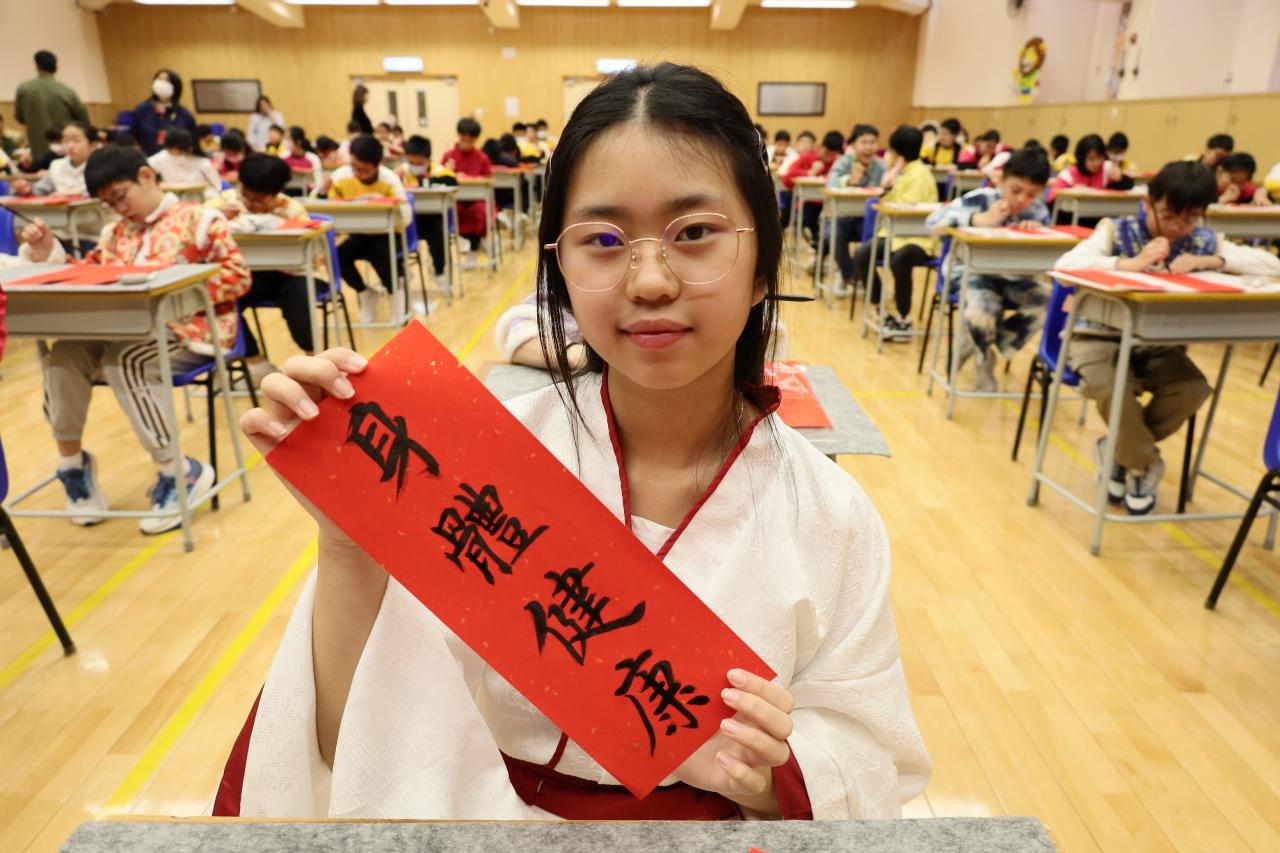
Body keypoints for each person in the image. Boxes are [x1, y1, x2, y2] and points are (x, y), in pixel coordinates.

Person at [226, 60, 930, 822]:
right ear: (558, 269)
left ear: (762, 266)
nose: (651, 279)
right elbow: (350, 737)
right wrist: (350, 543)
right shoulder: (482, 467)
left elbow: (869, 752)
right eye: (604, 238)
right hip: (490, 824)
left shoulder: (833, 514)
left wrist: (767, 775)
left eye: (695, 233)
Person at [16, 145, 248, 533]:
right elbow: (87, 274)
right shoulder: (115, 233)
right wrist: (46, 252)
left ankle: (179, 472)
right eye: (109, 204)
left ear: (146, 176)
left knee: (126, 362)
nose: (119, 209)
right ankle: (72, 466)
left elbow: (239, 276)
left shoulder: (201, 220)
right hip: (121, 331)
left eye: (121, 196)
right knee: (62, 357)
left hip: (191, 333)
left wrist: (171, 286)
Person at [1054, 160, 1280, 514]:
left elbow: (1273, 265)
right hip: (1096, 338)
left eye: (1191, 218)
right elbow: (1064, 267)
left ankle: (1117, 452)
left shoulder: (1203, 241)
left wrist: (1213, 261)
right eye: (1169, 216)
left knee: (1193, 388)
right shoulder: (1116, 230)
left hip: (1157, 347)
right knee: (1113, 389)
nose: (1178, 227)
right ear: (1148, 204)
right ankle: (1142, 464)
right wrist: (1126, 264)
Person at [926, 147, 1053, 391]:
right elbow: (932, 222)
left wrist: (1038, 233)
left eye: (1032, 194)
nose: (1021, 200)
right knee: (982, 310)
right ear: (1001, 180)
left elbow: (1044, 252)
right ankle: (984, 360)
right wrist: (977, 220)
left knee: (1049, 302)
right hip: (970, 274)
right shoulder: (980, 199)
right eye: (1015, 190)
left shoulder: (1039, 212)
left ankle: (980, 341)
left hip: (1013, 279)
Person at [208, 153, 326, 384]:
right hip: (245, 277)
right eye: (246, 195)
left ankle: (315, 363)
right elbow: (197, 231)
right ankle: (256, 363)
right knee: (218, 300)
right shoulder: (223, 202)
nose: (251, 204)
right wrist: (218, 218)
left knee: (299, 297)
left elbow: (316, 259)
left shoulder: (293, 209)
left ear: (276, 193)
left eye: (259, 199)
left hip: (289, 277)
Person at [849, 125, 938, 341]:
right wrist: (887, 187)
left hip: (918, 239)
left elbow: (905, 209)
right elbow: (886, 204)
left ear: (897, 153)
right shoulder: (903, 172)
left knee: (900, 260)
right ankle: (880, 309)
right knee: (862, 254)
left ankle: (904, 317)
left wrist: (888, 188)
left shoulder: (919, 174)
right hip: (894, 234)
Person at [326, 134, 411, 322]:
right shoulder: (340, 176)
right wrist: (323, 191)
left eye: (365, 170)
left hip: (387, 235)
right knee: (337, 255)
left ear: (377, 164)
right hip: (358, 235)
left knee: (380, 253)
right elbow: (326, 205)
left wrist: (386, 208)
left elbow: (406, 216)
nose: (359, 174)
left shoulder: (390, 180)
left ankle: (395, 294)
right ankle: (365, 292)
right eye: (355, 168)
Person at [10, 120, 104, 252]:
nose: (70, 146)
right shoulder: (57, 165)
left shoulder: (102, 164)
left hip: (97, 233)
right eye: (65, 141)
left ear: (93, 145)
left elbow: (102, 192)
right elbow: (40, 190)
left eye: (76, 141)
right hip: (64, 234)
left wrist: (73, 194)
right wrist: (26, 189)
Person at [824, 123, 885, 296]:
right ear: (853, 145)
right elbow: (830, 184)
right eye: (863, 142)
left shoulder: (881, 167)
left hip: (869, 220)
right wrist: (850, 180)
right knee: (832, 233)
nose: (868, 147)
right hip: (842, 217)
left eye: (872, 142)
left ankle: (859, 277)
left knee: (877, 239)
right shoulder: (843, 163)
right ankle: (849, 274)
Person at [396, 134, 457, 292]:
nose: (415, 166)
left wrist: (428, 182)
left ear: (428, 160)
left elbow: (453, 182)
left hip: (432, 219)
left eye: (419, 163)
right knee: (390, 237)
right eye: (412, 162)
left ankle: (439, 271)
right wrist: (398, 180)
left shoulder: (439, 171)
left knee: (438, 233)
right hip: (408, 221)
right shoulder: (401, 172)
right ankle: (400, 273)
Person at [14, 50, 88, 161]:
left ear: (37, 66)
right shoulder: (66, 91)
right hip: (66, 153)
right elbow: (83, 120)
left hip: (38, 152)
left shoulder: (24, 89)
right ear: (56, 67)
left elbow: (20, 118)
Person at [441, 117, 494, 270]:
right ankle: (474, 246)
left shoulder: (482, 158)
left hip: (476, 200)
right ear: (458, 136)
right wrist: (447, 171)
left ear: (475, 139)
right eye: (463, 139)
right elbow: (438, 177)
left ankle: (474, 247)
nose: (465, 143)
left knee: (479, 212)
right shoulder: (449, 156)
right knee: (452, 214)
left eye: (470, 141)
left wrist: (472, 179)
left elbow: (488, 180)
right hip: (455, 201)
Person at [782, 130, 843, 249]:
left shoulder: (839, 163)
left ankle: (822, 249)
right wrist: (809, 172)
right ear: (821, 147)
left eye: (833, 154)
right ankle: (816, 244)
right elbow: (786, 178)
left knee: (835, 225)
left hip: (831, 204)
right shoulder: (807, 157)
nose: (829, 157)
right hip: (809, 202)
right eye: (827, 152)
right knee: (807, 219)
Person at [131, 69, 197, 156]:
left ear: (175, 86)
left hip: (177, 159)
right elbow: (133, 137)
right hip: (148, 159)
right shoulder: (142, 110)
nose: (162, 83)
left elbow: (191, 141)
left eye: (167, 81)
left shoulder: (184, 114)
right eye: (159, 79)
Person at [147, 127, 221, 200]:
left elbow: (216, 185)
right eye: (172, 148)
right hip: (171, 198)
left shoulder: (203, 162)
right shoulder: (161, 157)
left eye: (180, 149)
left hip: (200, 198)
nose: (177, 152)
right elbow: (147, 168)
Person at [1048, 134, 1122, 205]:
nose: (1096, 163)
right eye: (1091, 159)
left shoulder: (1107, 168)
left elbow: (1124, 191)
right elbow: (1051, 201)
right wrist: (1071, 192)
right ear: (1081, 158)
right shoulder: (1067, 175)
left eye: (1099, 157)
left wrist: (1120, 179)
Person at [281, 126, 323, 194]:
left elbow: (319, 182)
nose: (285, 142)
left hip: (308, 195)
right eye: (285, 138)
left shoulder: (313, 158)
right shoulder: (283, 157)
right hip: (286, 194)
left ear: (299, 142)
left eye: (288, 139)